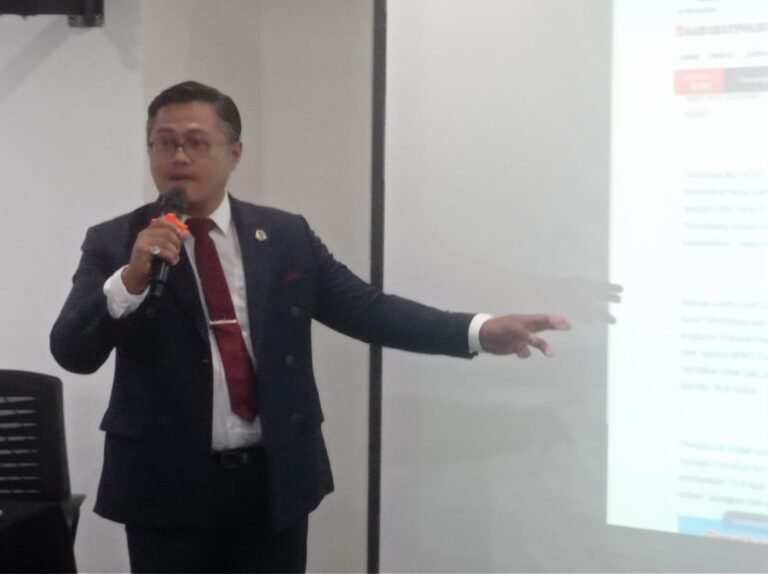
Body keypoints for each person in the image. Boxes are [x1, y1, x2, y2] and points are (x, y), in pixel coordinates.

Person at [50, 81, 570, 573]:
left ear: (234, 153)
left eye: (196, 142)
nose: (179, 157)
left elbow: (367, 309)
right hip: (166, 487)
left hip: (271, 480)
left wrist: (477, 331)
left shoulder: (284, 236)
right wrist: (131, 279)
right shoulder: (116, 241)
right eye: (165, 143)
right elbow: (72, 350)